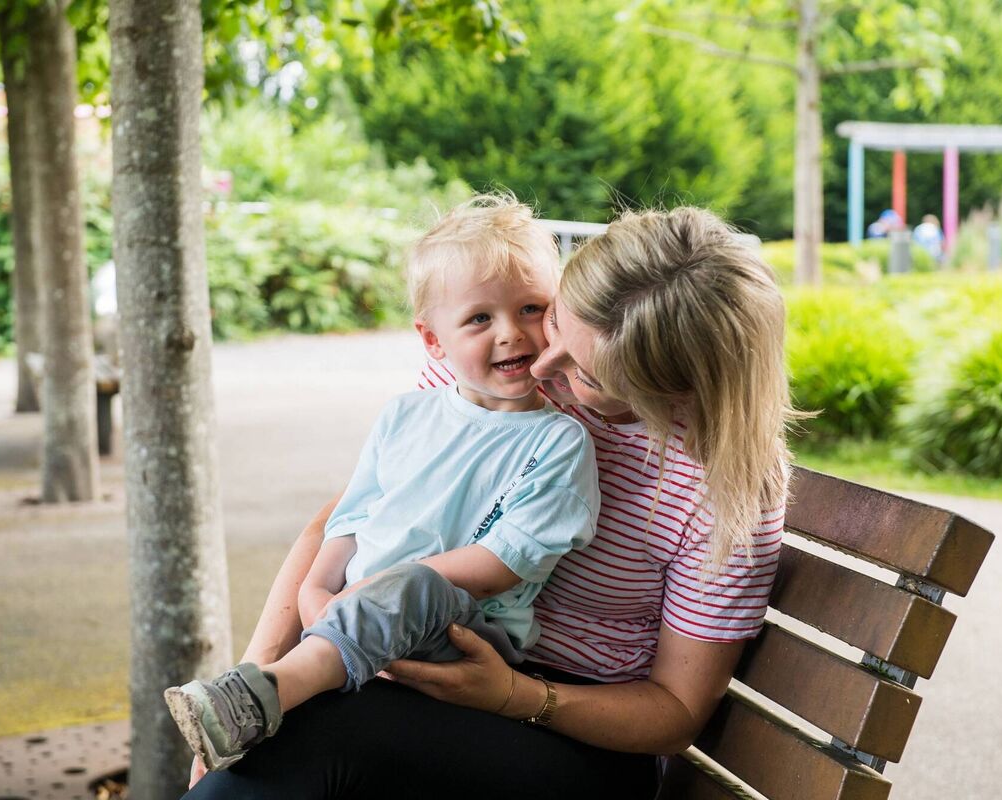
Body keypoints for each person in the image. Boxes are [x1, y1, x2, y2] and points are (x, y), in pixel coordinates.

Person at [184, 205, 794, 799]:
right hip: (401, 650)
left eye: (587, 373)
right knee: (273, 744)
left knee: (315, 740)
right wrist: (260, 668)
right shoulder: (498, 377)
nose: (542, 364)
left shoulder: (725, 492)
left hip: (572, 734)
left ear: (675, 391)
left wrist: (508, 694)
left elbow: (676, 711)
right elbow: (354, 514)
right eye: (557, 321)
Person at [165, 195, 600, 772]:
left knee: (413, 588)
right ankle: (259, 706)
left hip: (467, 634)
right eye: (479, 318)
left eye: (530, 309)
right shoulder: (406, 416)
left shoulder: (558, 442)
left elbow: (503, 564)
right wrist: (315, 591)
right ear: (433, 340)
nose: (511, 334)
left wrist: (372, 591)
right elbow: (350, 519)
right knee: (291, 752)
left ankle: (263, 695)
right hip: (360, 619)